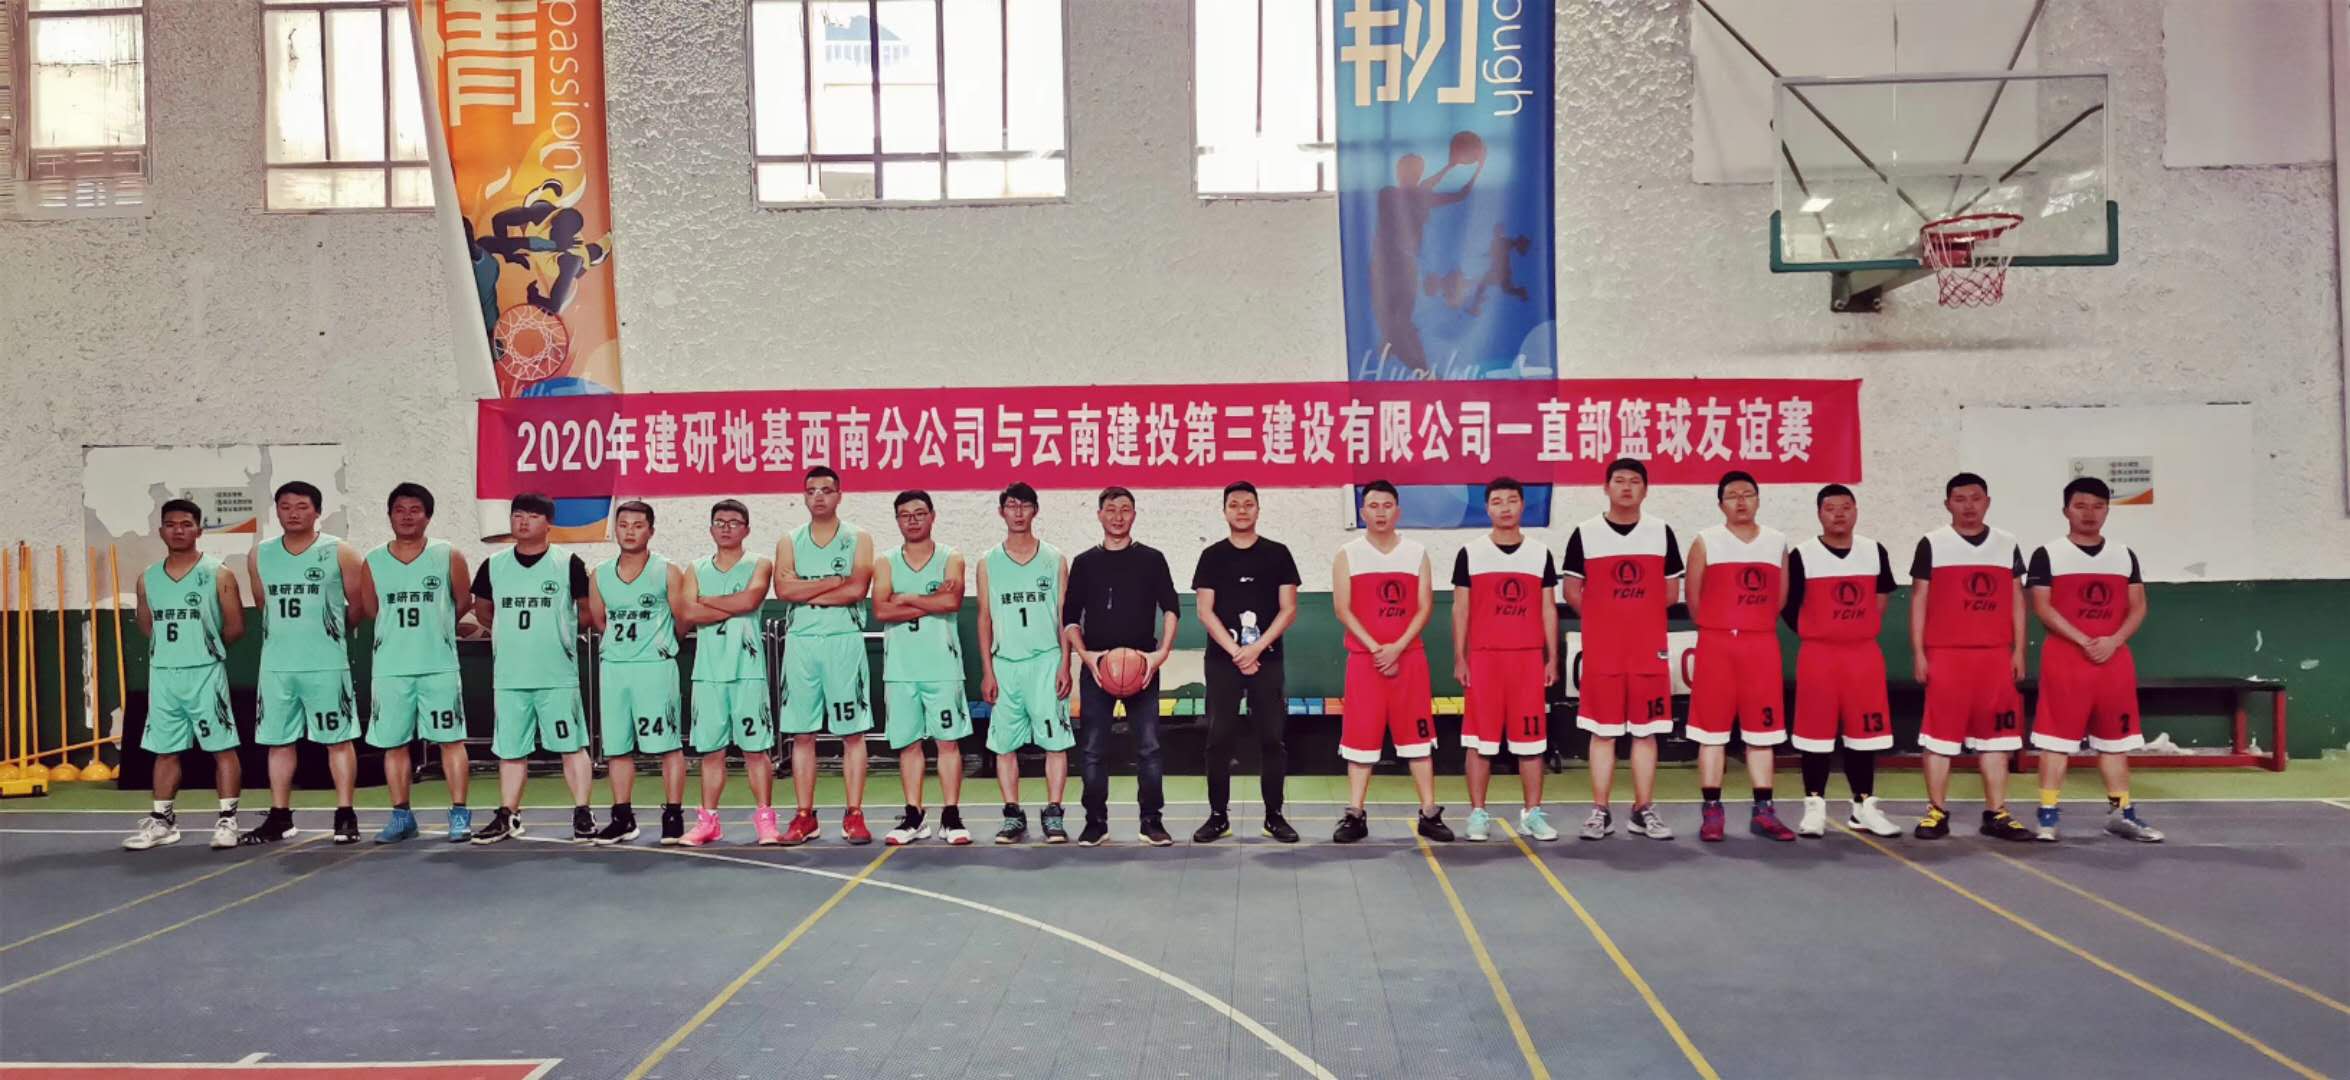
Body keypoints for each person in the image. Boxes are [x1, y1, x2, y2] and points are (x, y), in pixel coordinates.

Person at [2026, 478, 2163, 843]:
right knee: (2056, 741)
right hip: (2066, 659)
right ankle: (2048, 816)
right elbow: (2042, 606)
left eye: (2098, 506)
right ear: (2066, 510)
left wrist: (2113, 641)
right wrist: (2084, 640)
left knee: (2114, 742)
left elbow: (2138, 606)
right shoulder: (2047, 554)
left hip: (2113, 661)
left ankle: (2121, 814)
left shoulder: (2124, 554)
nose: (2089, 513)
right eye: (2081, 506)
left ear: (2107, 510)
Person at [1910, 472, 2036, 841]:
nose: (1969, 506)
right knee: (1938, 738)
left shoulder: (2006, 543)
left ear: (1987, 502)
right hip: (1946, 655)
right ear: (1947, 504)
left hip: (1995, 656)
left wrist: (2018, 650)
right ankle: (1936, 812)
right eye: (1960, 499)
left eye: (1976, 498)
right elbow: (1919, 600)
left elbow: (2017, 600)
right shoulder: (1932, 543)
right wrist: (1919, 653)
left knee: (1998, 739)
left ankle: (1997, 813)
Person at [241, 481, 367, 846]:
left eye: (301, 506)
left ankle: (345, 814)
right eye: (285, 506)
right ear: (276, 511)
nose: (293, 513)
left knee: (338, 740)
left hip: (326, 664)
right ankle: (280, 816)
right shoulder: (260, 554)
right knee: (279, 742)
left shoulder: (340, 551)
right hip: (277, 666)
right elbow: (263, 604)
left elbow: (357, 605)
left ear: (317, 511)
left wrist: (330, 637)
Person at [1563, 459, 1681, 842]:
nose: (1626, 487)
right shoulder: (1585, 533)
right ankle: (1600, 811)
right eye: (1619, 480)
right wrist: (1605, 621)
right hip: (1603, 651)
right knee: (1603, 732)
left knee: (1646, 733)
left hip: (1648, 650)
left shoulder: (1661, 532)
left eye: (1634, 481)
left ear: (1645, 489)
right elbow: (1571, 591)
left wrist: (1637, 618)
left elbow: (1671, 592)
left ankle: (1642, 809)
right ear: (1606, 487)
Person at [466, 493, 595, 845]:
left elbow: (586, 611)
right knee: (510, 750)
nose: (523, 521)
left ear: (548, 523)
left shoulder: (567, 563)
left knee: (572, 745)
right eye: (517, 515)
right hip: (510, 675)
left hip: (556, 674)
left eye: (533, 516)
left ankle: (582, 811)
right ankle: (508, 814)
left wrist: (559, 635)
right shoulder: (494, 565)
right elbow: (483, 611)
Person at [122, 499, 248, 851]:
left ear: (199, 530)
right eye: (171, 524)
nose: (178, 530)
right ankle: (163, 822)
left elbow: (236, 626)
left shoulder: (218, 573)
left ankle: (227, 821)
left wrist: (203, 650)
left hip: (205, 673)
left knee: (221, 747)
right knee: (165, 751)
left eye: (186, 524)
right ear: (161, 530)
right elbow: (147, 625)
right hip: (163, 675)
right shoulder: (147, 578)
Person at [1331, 481, 1452, 843]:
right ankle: (1355, 815)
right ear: (1362, 512)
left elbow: (1425, 606)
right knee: (1360, 741)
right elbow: (1342, 608)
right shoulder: (1348, 554)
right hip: (1363, 662)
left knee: (1418, 741)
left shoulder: (1416, 553)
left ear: (1397, 511)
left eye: (1387, 505)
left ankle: (1429, 813)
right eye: (1373, 506)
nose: (1380, 512)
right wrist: (1377, 649)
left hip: (1409, 660)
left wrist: (1397, 648)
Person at [1061, 487, 1181, 847]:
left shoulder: (1152, 559)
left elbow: (1171, 609)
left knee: (1149, 748)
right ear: (1099, 515)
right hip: (1098, 668)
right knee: (1093, 749)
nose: (1118, 516)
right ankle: (1095, 822)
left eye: (1125, 509)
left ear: (1134, 515)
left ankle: (1151, 822)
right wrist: (1087, 656)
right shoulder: (1085, 563)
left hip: (1142, 667)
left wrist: (1160, 654)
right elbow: (1069, 618)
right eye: (1111, 509)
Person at [1783, 484, 1903, 838]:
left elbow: (1881, 598)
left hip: (1863, 656)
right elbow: (1787, 606)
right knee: (1814, 736)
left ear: (1856, 511)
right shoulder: (1802, 555)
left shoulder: (1874, 551)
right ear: (1819, 514)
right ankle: (1814, 807)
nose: (1838, 513)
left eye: (1846, 506)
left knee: (1865, 736)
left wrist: (1855, 629)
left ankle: (1863, 807)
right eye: (1830, 507)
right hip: (1818, 656)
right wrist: (1819, 630)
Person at [356, 483, 473, 843]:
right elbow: (372, 609)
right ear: (389, 515)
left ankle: (459, 813)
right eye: (399, 510)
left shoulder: (447, 554)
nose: (406, 516)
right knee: (394, 744)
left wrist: (437, 629)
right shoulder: (373, 560)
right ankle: (401, 815)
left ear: (428, 516)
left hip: (438, 665)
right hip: (391, 667)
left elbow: (462, 601)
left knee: (450, 740)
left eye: (415, 510)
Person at [1684, 471, 1796, 842]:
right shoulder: (1706, 541)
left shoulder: (1776, 541)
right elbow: (1694, 598)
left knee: (1763, 732)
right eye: (1732, 495)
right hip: (1717, 645)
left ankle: (1764, 811)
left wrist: (1752, 625)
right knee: (1711, 732)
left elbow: (1780, 597)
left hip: (1760, 646)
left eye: (1748, 493)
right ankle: (1712, 811)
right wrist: (1719, 627)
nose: (1741, 500)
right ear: (1721, 505)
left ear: (1758, 500)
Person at [1192, 481, 1303, 844]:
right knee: (1218, 739)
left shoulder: (1278, 554)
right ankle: (1217, 817)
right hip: (1222, 662)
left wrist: (1256, 649)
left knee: (1272, 739)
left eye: (1248, 504)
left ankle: (1274, 816)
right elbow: (1204, 611)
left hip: (1267, 660)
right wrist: (1236, 651)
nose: (1241, 510)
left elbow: (1288, 609)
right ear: (1224, 511)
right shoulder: (1212, 556)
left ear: (1258, 509)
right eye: (1234, 505)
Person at [1451, 476, 1561, 842]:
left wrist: (1552, 658)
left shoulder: (1540, 553)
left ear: (1522, 505)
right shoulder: (1470, 553)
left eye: (1512, 500)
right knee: (1479, 742)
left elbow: (1548, 609)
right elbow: (1461, 610)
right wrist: (1460, 657)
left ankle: (1532, 813)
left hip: (1527, 660)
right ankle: (1477, 813)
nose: (1505, 507)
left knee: (1532, 743)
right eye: (1497, 501)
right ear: (1487, 508)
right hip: (1484, 660)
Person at [773, 467, 878, 844]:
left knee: (852, 731)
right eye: (811, 490)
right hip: (802, 640)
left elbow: (856, 589)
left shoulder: (858, 538)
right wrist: (833, 581)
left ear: (839, 495)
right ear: (803, 496)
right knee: (802, 733)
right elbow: (784, 590)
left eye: (826, 490)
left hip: (842, 639)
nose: (818, 496)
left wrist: (808, 587)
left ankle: (854, 814)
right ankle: (805, 816)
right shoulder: (790, 540)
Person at [586, 500, 691, 845]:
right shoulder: (600, 574)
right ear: (615, 530)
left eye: (637, 525)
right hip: (615, 667)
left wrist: (661, 647)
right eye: (623, 525)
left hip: (654, 667)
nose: (629, 531)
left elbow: (682, 619)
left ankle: (673, 814)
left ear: (651, 531)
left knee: (667, 744)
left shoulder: (667, 571)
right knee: (617, 746)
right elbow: (600, 621)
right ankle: (622, 817)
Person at [873, 490, 973, 846]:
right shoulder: (885, 561)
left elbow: (952, 601)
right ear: (897, 520)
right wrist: (931, 601)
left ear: (933, 516)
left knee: (948, 742)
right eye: (905, 515)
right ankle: (914, 816)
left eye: (919, 513)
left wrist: (906, 597)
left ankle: (951, 815)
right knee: (909, 744)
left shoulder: (951, 557)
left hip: (943, 666)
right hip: (901, 669)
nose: (912, 520)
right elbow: (881, 610)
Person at [978, 483, 1074, 844]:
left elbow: (1065, 616)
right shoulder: (988, 562)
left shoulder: (1054, 558)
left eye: (1025, 505)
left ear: (1035, 510)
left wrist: (1065, 664)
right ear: (1001, 511)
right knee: (1004, 745)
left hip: (1046, 661)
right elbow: (984, 618)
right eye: (1011, 505)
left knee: (1055, 742)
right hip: (1005, 663)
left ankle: (1054, 812)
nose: (1018, 512)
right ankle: (1012, 814)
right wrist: (987, 670)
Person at [679, 499, 776, 845]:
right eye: (719, 522)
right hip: (708, 672)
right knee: (712, 751)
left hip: (747, 670)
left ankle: (765, 819)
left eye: (734, 522)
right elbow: (688, 613)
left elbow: (749, 602)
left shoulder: (759, 564)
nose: (726, 528)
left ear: (746, 529)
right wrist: (729, 604)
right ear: (710, 528)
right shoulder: (696, 568)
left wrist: (707, 601)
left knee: (755, 750)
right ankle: (708, 821)